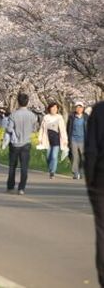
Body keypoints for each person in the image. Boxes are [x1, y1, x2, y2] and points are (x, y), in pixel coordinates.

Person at [85, 101, 104, 286]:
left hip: (100, 180)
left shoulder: (99, 111)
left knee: (102, 230)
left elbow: (90, 149)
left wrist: (89, 180)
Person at [6, 92, 38, 195]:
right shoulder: (32, 116)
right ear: (27, 102)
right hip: (26, 143)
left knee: (12, 166)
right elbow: (34, 129)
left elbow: (9, 129)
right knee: (24, 167)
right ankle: (21, 188)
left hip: (15, 144)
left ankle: (10, 186)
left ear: (18, 102)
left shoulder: (13, 115)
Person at [38, 101, 68, 179]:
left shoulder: (59, 117)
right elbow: (41, 129)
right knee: (48, 157)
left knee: (54, 156)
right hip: (47, 139)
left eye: (55, 108)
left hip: (56, 139)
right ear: (49, 108)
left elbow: (63, 130)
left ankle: (52, 172)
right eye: (52, 107)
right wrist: (40, 138)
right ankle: (50, 168)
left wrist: (65, 140)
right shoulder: (46, 117)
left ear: (57, 109)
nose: (54, 109)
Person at [68, 101, 88, 180]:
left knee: (83, 157)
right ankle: (75, 173)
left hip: (83, 140)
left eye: (81, 107)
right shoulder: (72, 117)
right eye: (77, 107)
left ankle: (81, 171)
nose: (79, 109)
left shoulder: (86, 117)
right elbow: (68, 128)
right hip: (73, 139)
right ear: (75, 108)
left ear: (83, 108)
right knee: (75, 156)